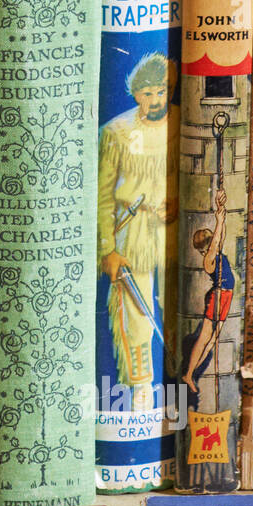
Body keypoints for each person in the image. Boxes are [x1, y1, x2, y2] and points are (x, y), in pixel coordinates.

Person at [98, 53, 176, 409]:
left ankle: (178, 381)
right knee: (136, 314)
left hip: (171, 230)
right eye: (148, 93)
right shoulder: (116, 132)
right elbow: (101, 196)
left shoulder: (181, 123)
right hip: (132, 231)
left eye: (161, 91)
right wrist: (107, 248)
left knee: (173, 304)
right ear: (136, 94)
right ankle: (141, 391)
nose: (156, 100)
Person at [182, 188, 233, 394]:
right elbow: (216, 243)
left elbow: (219, 240)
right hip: (218, 295)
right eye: (211, 240)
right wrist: (219, 221)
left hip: (226, 296)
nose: (215, 242)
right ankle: (188, 373)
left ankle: (191, 375)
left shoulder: (215, 252)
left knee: (212, 340)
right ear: (205, 245)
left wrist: (222, 212)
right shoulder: (208, 259)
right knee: (204, 338)